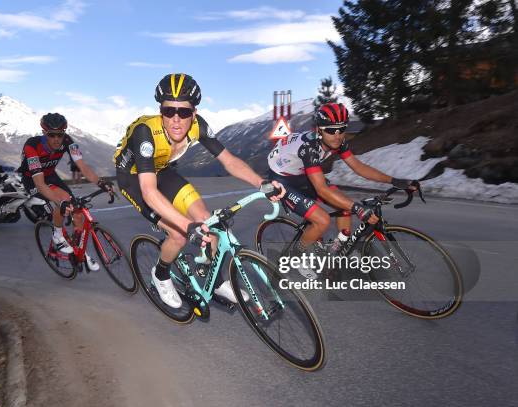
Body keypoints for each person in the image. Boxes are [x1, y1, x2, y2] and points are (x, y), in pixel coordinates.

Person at [114, 73, 285, 308]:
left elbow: (229, 161)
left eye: (183, 112)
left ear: (194, 113)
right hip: (134, 178)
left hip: (161, 170)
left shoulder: (198, 126)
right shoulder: (145, 132)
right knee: (180, 234)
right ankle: (161, 274)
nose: (175, 119)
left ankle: (215, 282)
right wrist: (187, 226)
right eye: (168, 111)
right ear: (160, 110)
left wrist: (260, 183)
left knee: (208, 221)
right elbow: (149, 192)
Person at [267, 102, 420, 279]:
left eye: (342, 129)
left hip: (302, 172)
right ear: (319, 130)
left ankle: (337, 253)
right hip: (282, 178)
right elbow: (322, 190)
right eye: (331, 130)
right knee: (322, 220)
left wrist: (394, 180)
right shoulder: (309, 147)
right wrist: (359, 208)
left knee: (344, 205)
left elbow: (358, 167)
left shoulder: (337, 142)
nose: (337, 135)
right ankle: (295, 257)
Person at [18, 113, 114, 271]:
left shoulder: (68, 141)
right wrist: (61, 202)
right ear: (44, 132)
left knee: (77, 211)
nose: (57, 139)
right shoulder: (32, 146)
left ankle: (79, 251)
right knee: (62, 200)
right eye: (51, 135)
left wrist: (101, 183)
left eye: (60, 134)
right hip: (34, 180)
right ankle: (57, 236)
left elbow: (83, 167)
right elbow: (41, 184)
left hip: (50, 175)